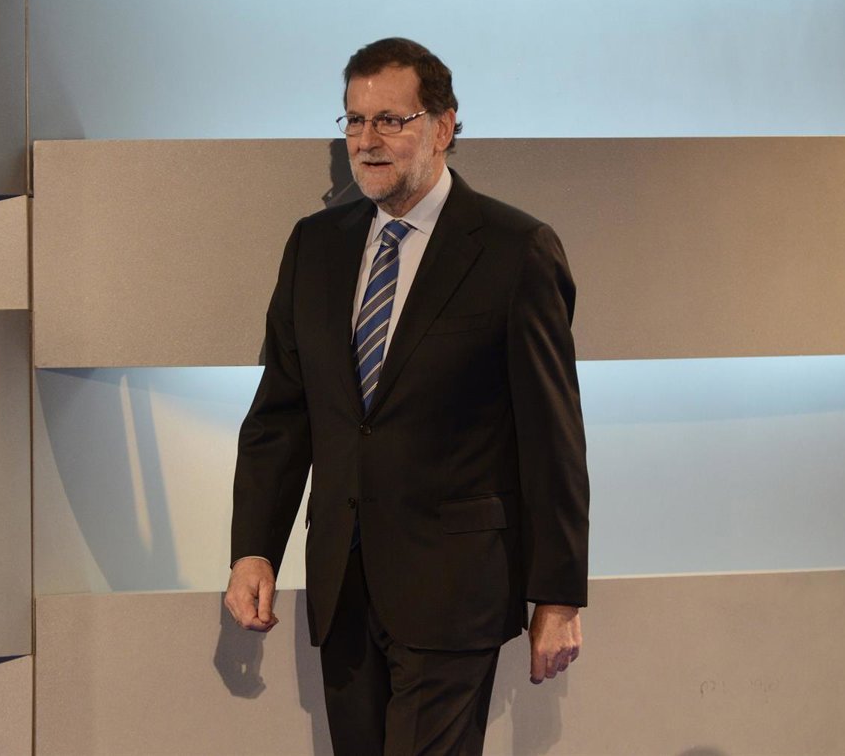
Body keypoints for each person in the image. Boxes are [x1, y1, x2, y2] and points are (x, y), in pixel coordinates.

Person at [226, 37, 589, 756]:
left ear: (443, 126)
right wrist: (253, 550)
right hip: (343, 585)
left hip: (455, 589)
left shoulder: (515, 249)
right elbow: (282, 415)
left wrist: (558, 593)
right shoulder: (314, 247)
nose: (368, 140)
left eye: (391, 120)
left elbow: (553, 437)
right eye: (355, 120)